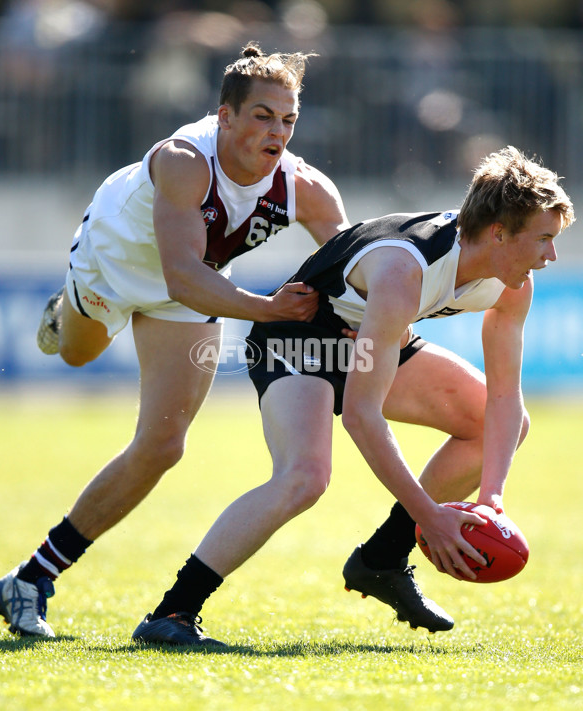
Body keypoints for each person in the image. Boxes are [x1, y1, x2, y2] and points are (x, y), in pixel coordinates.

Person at [132, 146, 574, 647]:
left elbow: (503, 397)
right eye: (544, 239)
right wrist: (430, 516)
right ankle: (172, 613)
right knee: (304, 477)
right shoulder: (402, 271)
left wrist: (490, 498)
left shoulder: (514, 282)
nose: (550, 255)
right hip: (299, 341)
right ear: (499, 232)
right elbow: (362, 417)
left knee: (503, 425)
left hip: (369, 338)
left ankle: (382, 560)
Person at [0, 43, 350, 639]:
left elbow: (353, 263)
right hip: (115, 264)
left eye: (288, 120)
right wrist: (269, 309)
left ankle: (31, 579)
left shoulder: (306, 187)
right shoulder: (184, 161)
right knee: (79, 353)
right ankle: (66, 309)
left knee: (162, 446)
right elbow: (183, 272)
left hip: (191, 291)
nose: (276, 132)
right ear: (225, 116)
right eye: (262, 115)